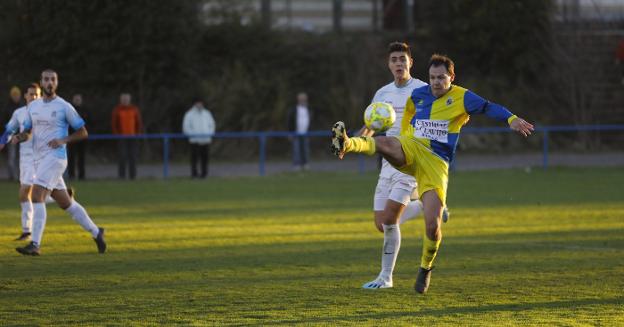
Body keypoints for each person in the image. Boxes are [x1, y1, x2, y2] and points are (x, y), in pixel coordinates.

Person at [331, 54, 534, 294]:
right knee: (386, 143)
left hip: (436, 164)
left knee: (433, 226)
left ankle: (425, 268)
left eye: (441, 78)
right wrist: (405, 134)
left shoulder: (463, 97)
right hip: (412, 147)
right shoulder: (419, 95)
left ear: (451, 77)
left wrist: (510, 118)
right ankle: (347, 144)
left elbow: (489, 107)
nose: (436, 82)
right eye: (432, 78)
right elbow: (408, 113)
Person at [359, 42, 448, 290]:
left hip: (411, 159)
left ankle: (386, 277)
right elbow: (371, 125)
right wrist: (353, 140)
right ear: (389, 65)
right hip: (388, 161)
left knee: (389, 221)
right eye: (394, 59)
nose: (398, 63)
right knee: (381, 223)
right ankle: (423, 206)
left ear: (411, 63)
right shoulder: (382, 94)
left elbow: (439, 116)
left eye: (402, 59)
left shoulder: (423, 89)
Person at [0, 69, 107, 256]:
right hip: (40, 160)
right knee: (67, 204)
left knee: (37, 196)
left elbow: (83, 132)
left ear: (56, 83)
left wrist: (63, 140)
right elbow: (30, 132)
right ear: (42, 82)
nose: (49, 82)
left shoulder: (64, 106)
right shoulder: (33, 107)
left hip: (56, 158)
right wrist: (20, 137)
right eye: (46, 79)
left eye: (52, 79)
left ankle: (35, 244)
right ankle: (97, 232)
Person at [112, 92, 142, 179]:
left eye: (126, 99)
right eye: (123, 99)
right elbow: (114, 124)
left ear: (129, 99)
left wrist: (137, 134)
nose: (125, 100)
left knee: (133, 156)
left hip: (133, 137)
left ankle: (133, 176)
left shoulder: (134, 109)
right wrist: (117, 135)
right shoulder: (117, 110)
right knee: (122, 156)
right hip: (122, 137)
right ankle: (122, 176)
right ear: (121, 100)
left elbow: (138, 123)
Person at [182, 98, 216, 178]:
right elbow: (186, 127)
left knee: (205, 158)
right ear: (195, 104)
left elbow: (212, 124)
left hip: (205, 140)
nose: (200, 105)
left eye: (201, 103)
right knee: (194, 158)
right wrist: (192, 135)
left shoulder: (207, 113)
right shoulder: (189, 114)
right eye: (198, 103)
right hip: (194, 141)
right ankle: (194, 174)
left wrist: (209, 134)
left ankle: (204, 174)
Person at [287, 92, 311, 171]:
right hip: (296, 133)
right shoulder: (294, 110)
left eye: (304, 99)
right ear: (298, 100)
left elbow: (310, 121)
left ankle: (305, 164)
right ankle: (296, 165)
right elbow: (289, 121)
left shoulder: (309, 109)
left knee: (305, 149)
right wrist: (290, 132)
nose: (303, 100)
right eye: (301, 99)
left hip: (306, 133)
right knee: (296, 150)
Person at [67, 94, 88, 180]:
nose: (77, 101)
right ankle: (71, 175)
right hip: (72, 137)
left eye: (78, 99)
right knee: (71, 157)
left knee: (81, 157)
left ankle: (81, 175)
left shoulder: (85, 110)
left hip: (82, 138)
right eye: (76, 99)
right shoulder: (70, 111)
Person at [4, 86, 22, 180]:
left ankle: (21, 176)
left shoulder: (23, 107)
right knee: (11, 156)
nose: (16, 97)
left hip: (21, 136)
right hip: (11, 135)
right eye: (14, 95)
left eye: (17, 95)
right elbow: (4, 122)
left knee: (21, 157)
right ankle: (12, 176)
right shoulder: (7, 108)